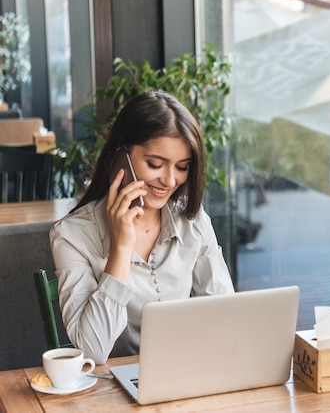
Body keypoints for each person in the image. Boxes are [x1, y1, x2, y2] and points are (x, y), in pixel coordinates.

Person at [50, 91, 235, 364]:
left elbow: (227, 314)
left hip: (189, 373)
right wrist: (121, 247)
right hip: (112, 391)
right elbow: (93, 351)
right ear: (121, 158)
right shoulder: (72, 235)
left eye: (182, 167)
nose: (170, 181)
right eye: (155, 164)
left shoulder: (193, 222)